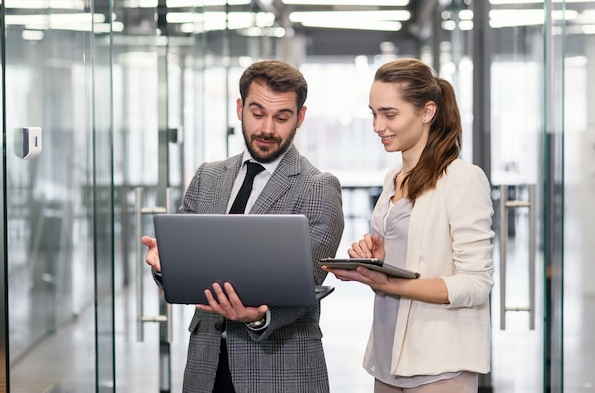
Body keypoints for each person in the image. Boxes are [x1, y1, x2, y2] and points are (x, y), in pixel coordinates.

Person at [142, 59, 345, 393]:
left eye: (282, 117)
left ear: (300, 117)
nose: (267, 128)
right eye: (257, 113)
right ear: (239, 108)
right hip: (207, 364)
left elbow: (306, 283)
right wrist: (166, 267)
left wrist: (256, 316)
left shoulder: (317, 187)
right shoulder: (208, 176)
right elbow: (182, 266)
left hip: (280, 369)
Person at [323, 58, 495, 393]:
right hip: (388, 357)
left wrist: (389, 282)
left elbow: (475, 284)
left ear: (427, 112)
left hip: (440, 362)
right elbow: (411, 259)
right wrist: (374, 261)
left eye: (389, 114)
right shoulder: (394, 178)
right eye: (373, 113)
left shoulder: (461, 179)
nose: (377, 125)